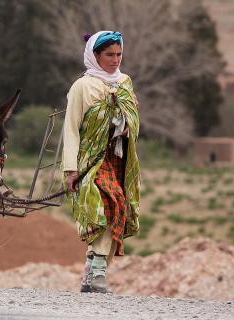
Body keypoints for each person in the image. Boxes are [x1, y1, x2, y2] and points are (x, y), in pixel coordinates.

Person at [62, 30, 141, 293]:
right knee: (107, 205)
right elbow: (71, 129)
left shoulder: (125, 82)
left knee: (118, 210)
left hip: (118, 158)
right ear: (95, 56)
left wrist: (127, 118)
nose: (115, 59)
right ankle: (97, 273)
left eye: (119, 54)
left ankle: (93, 273)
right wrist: (70, 170)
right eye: (109, 54)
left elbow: (133, 118)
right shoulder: (82, 87)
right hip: (90, 161)